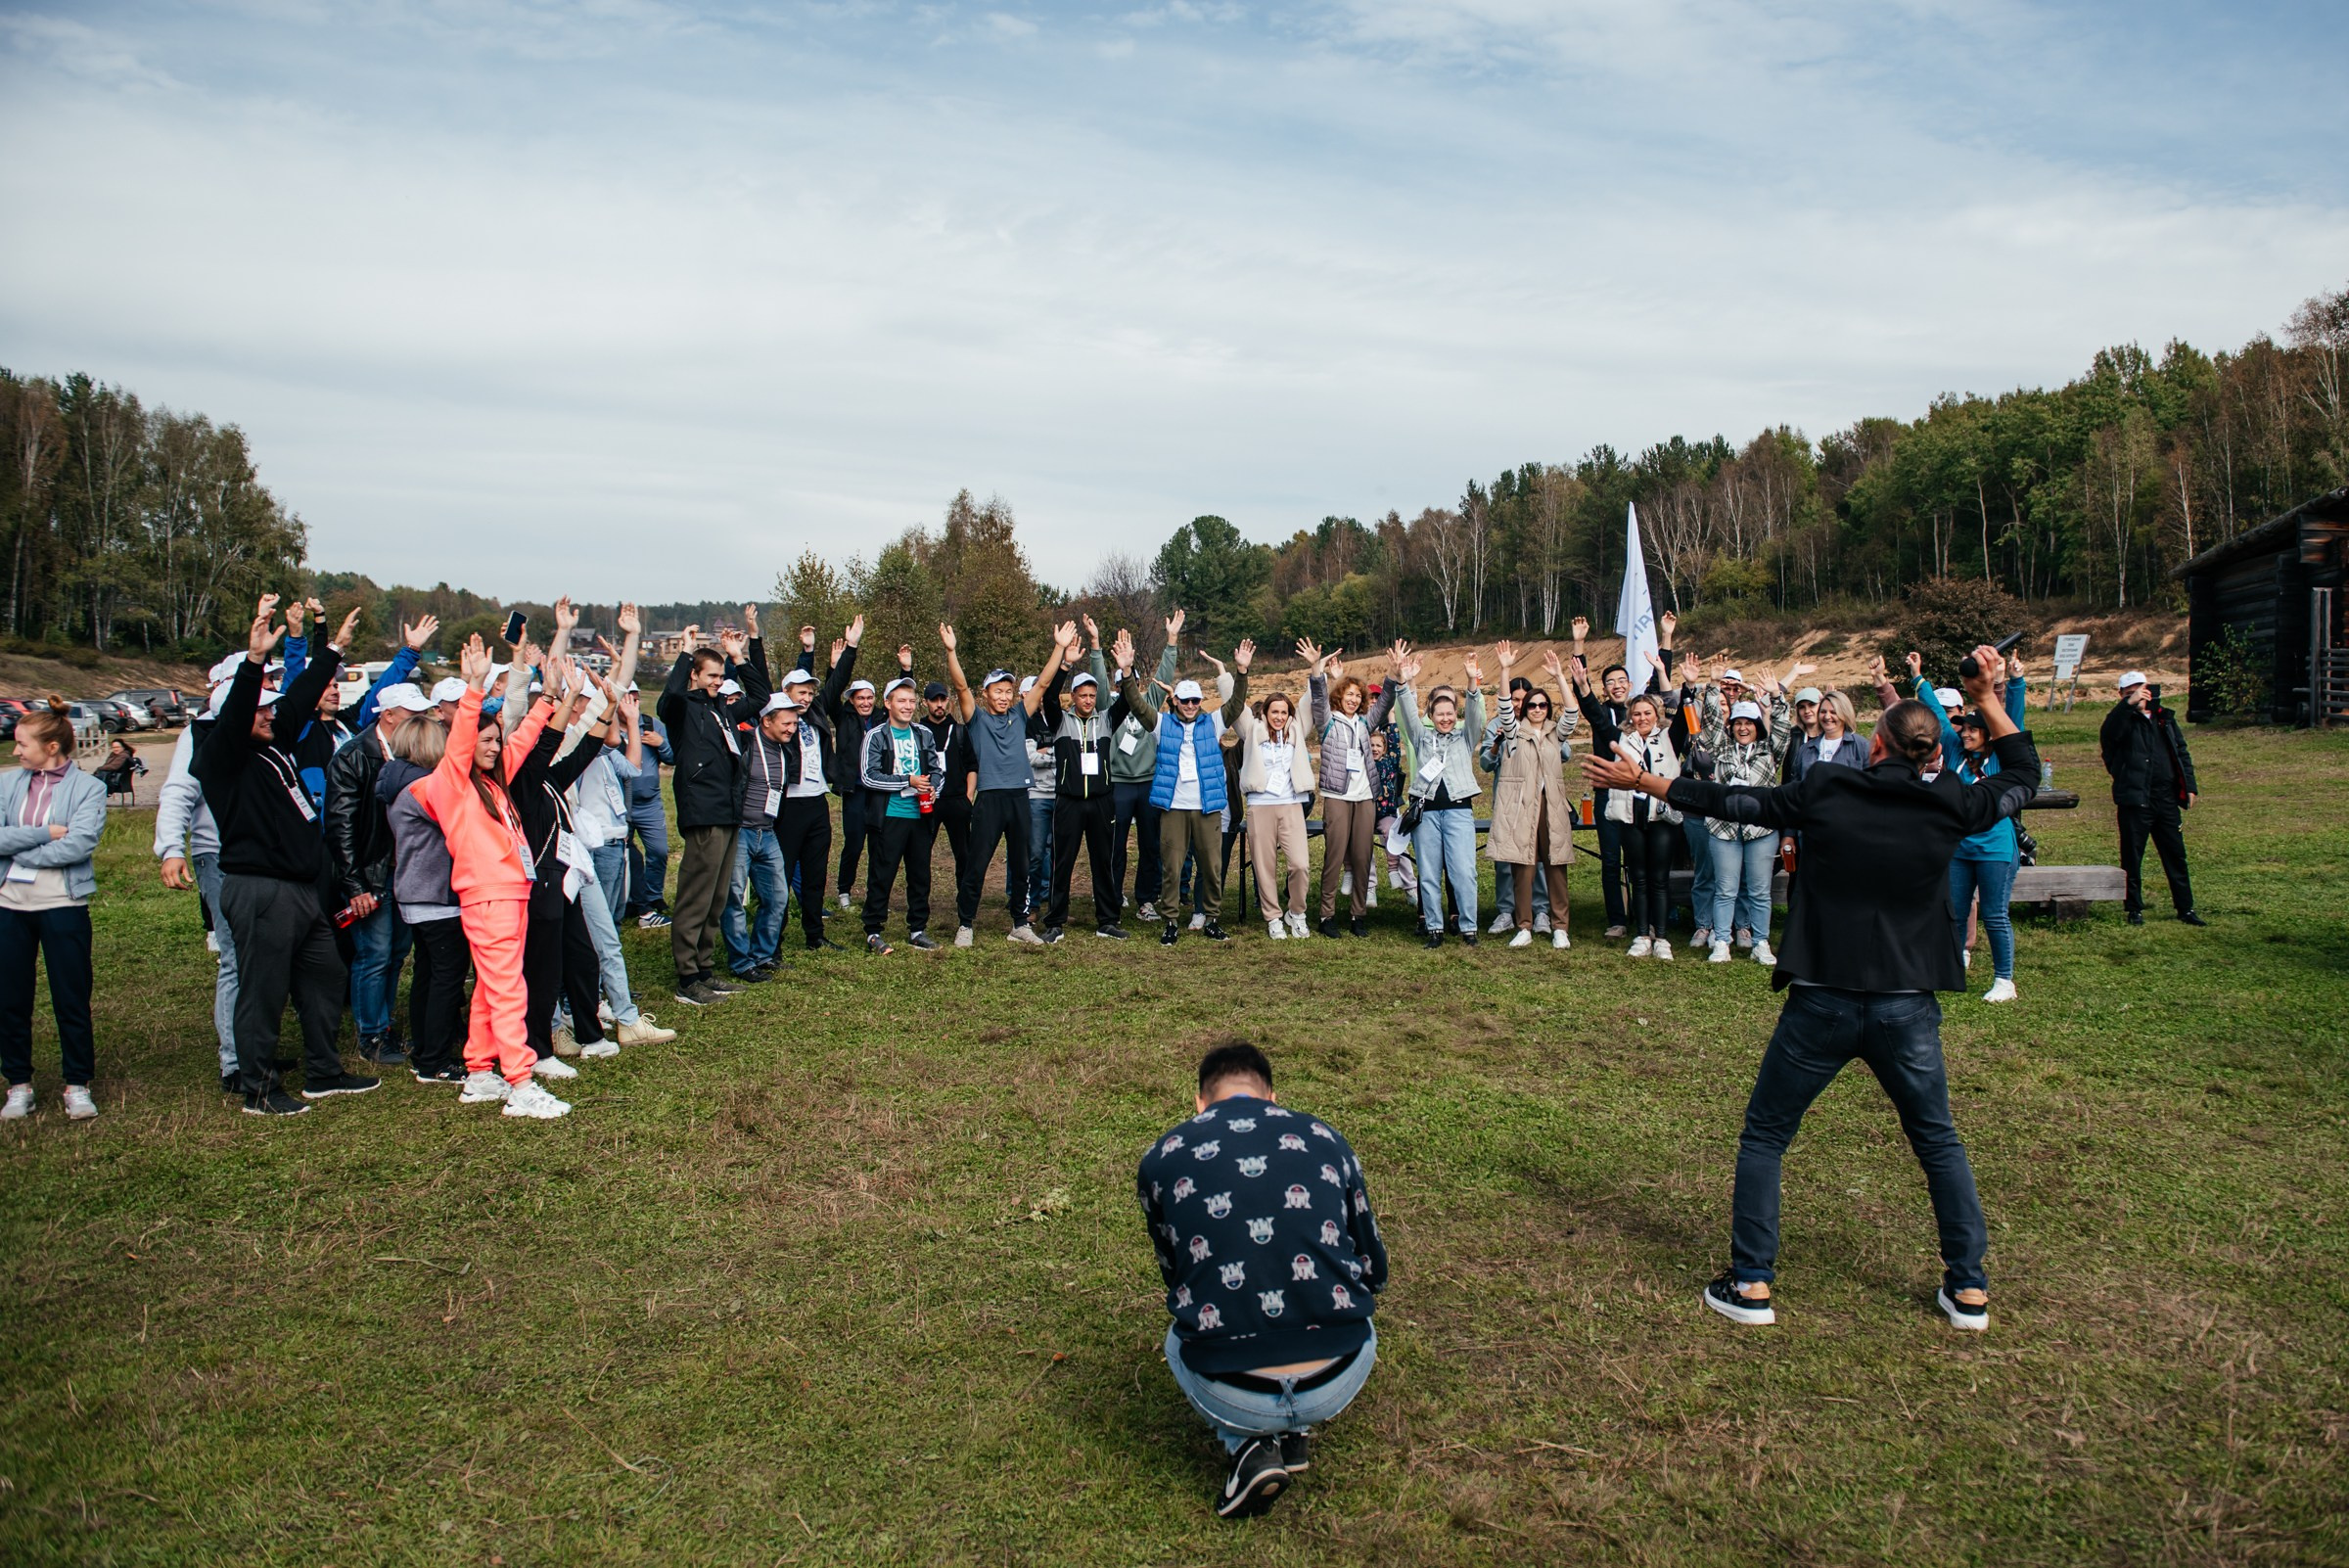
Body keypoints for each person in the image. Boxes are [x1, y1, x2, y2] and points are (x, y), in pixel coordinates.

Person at [1584, 643, 2038, 1334]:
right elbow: (2024, 775)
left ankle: (1753, 1283)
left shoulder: (1829, 791)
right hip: (1907, 1003)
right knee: (1937, 1140)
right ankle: (1968, 1290)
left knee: (1767, 1134)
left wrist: (1648, 784)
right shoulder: (1951, 801)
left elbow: (1741, 799)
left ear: (1876, 743)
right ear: (1928, 750)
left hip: (1823, 997)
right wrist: (1987, 698)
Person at [1134, 1040, 1387, 1519]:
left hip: (1232, 1387)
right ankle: (1295, 1429)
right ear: (1272, 1097)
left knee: (1176, 1337)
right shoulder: (1325, 1137)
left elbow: (1176, 1276)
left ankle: (1247, 1446)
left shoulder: (1162, 1155)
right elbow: (1372, 1267)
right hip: (1338, 1374)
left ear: (1199, 1103)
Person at [194, 595, 378, 1115]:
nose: (272, 714)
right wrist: (253, 662)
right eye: (261, 710)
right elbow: (235, 717)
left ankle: (323, 1071)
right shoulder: (221, 757)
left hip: (300, 889)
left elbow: (300, 695)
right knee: (263, 990)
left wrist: (333, 647)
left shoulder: (274, 743)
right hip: (260, 888)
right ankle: (257, 1087)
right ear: (234, 715)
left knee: (325, 975)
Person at [415, 636, 569, 1119]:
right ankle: (520, 1083)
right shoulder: (452, 784)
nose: (492, 746)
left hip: (511, 895)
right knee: (509, 990)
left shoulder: (490, 783)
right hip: (489, 898)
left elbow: (519, 742)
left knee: (491, 985)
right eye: (484, 740)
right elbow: (463, 737)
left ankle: (480, 1072)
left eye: (494, 739)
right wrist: (475, 687)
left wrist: (548, 699)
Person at [0, 699, 107, 1123]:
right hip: (9, 904)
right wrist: (43, 833)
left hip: (63, 904)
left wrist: (19, 850)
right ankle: (18, 1085)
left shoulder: (88, 788)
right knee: (10, 998)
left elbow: (78, 845)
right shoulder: (7, 783)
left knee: (71, 997)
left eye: (22, 743)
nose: (15, 751)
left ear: (50, 746)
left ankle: (76, 1084)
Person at [659, 613, 768, 1003]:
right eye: (711, 677)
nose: (717, 683)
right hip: (702, 811)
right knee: (696, 896)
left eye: (720, 678)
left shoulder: (722, 708)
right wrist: (687, 653)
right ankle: (687, 978)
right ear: (694, 676)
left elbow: (761, 698)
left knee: (718, 897)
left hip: (728, 810)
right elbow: (667, 699)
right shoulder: (683, 709)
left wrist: (739, 657)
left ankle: (704, 969)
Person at [325, 679, 435, 1068]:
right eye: (412, 714)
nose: (421, 720)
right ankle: (370, 1034)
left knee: (396, 954)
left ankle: (385, 1026)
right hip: (371, 876)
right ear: (388, 716)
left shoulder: (413, 756)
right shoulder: (355, 756)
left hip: (404, 871)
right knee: (373, 953)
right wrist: (355, 885)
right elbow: (340, 826)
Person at [942, 620, 1069, 947]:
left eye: (1008, 691)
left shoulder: (1018, 716)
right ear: (986, 694)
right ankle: (966, 924)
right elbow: (959, 688)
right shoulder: (977, 719)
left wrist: (1059, 648)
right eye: (997, 690)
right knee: (977, 863)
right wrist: (952, 651)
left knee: (1022, 864)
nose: (1003, 695)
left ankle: (1019, 924)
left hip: (1019, 798)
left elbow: (1042, 684)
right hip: (989, 800)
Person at [1124, 641, 1249, 945]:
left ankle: (1212, 918)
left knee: (1212, 866)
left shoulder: (1214, 722)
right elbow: (1138, 706)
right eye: (1185, 701)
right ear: (1175, 701)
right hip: (1174, 808)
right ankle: (1170, 922)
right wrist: (1127, 673)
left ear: (1200, 701)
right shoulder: (1161, 724)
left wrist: (1241, 671)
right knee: (1172, 866)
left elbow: (1236, 704)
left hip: (1207, 808)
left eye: (1195, 701)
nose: (1191, 706)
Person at [1925, 660, 2029, 1002]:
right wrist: (1919, 678)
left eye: (1972, 729)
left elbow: (2013, 719)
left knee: (1995, 914)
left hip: (1996, 848)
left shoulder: (2002, 759)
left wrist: (2015, 682)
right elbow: (1940, 719)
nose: (1965, 733)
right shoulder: (1955, 750)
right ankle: (1952, 968)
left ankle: (2005, 981)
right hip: (1960, 847)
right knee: (1953, 910)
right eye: (1963, 728)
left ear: (1988, 733)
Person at [377, 713, 468, 1084]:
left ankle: (424, 1047)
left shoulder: (396, 782)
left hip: (416, 891)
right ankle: (435, 1059)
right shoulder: (423, 787)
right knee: (447, 977)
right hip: (435, 892)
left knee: (429, 975)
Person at [1038, 620, 1128, 943]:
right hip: (1069, 802)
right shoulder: (1061, 720)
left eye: (1092, 695)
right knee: (1062, 862)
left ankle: (1107, 920)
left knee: (1103, 862)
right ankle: (1055, 923)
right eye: (1083, 695)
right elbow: (1048, 696)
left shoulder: (1106, 720)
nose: (1089, 700)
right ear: (1073, 696)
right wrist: (1064, 664)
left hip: (1102, 801)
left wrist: (1126, 671)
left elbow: (1128, 702)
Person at [1299, 639, 1394, 939]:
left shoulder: (1366, 723)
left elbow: (1387, 701)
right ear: (1339, 697)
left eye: (1358, 695)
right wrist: (1317, 668)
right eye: (1348, 694)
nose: (1353, 699)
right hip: (1338, 797)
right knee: (1335, 857)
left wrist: (1393, 672)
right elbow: (1317, 696)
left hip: (1365, 798)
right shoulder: (1328, 722)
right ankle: (1326, 916)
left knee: (1364, 857)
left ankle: (1358, 914)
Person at [1484, 643, 1577, 950]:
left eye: (1542, 705)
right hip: (1522, 810)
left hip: (1551, 808)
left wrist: (1560, 675)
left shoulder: (1554, 733)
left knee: (1555, 867)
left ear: (1548, 708)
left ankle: (1559, 926)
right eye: (1532, 705)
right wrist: (1506, 669)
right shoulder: (1514, 731)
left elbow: (1573, 712)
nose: (1537, 709)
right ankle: (1523, 925)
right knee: (1522, 869)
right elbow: (1503, 705)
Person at [1393, 648, 1487, 948]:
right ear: (1431, 716)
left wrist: (1473, 683)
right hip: (1427, 814)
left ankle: (1469, 928)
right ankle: (1434, 928)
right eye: (1439, 714)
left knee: (1464, 872)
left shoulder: (1465, 737)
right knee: (1429, 873)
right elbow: (1408, 716)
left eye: (1450, 714)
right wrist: (1405, 683)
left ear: (1454, 716)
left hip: (1459, 812)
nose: (1445, 719)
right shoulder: (1422, 738)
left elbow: (1474, 716)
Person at [1695, 673, 1791, 965]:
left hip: (1760, 829)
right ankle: (1722, 941)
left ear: (1757, 727)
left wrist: (1777, 697)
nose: (1743, 728)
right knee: (1725, 889)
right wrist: (1712, 687)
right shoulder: (1722, 747)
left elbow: (1784, 730)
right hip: (1724, 829)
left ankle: (1761, 942)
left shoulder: (1769, 750)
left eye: (1748, 723)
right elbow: (1710, 724)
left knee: (1760, 891)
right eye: (1738, 723)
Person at [2101, 671, 2202, 928]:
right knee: (2133, 855)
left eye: (2141, 691)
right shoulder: (2120, 720)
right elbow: (2110, 734)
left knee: (2175, 854)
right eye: (2129, 692)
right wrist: (2128, 705)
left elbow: (2181, 752)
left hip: (2165, 796)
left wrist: (2189, 786)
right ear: (2121, 695)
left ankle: (2185, 907)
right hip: (2134, 798)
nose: (2137, 696)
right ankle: (2134, 908)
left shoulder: (2164, 719)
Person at [1228, 669, 1318, 941]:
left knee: (1300, 865)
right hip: (1261, 806)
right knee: (1264, 866)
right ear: (1265, 714)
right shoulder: (1253, 732)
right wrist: (1232, 673)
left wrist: (1316, 671)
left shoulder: (1297, 731)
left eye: (1283, 712)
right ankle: (1273, 917)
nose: (1279, 717)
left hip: (1291, 805)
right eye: (1274, 712)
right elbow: (1234, 704)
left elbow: (1309, 700)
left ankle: (1297, 912)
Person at [857, 675, 944, 952]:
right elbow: (868, 777)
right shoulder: (876, 735)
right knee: (882, 875)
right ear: (888, 703)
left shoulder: (924, 734)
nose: (907, 706)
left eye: (911, 701)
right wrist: (907, 780)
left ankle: (918, 929)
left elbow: (937, 771)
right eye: (901, 701)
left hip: (920, 816)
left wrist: (933, 790)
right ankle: (873, 931)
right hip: (889, 816)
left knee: (920, 875)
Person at [1110, 613, 1183, 925]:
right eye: (1121, 682)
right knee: (1114, 844)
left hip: (1149, 783)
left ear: (1137, 682)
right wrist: (1098, 647)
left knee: (1150, 845)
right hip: (1118, 784)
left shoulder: (1149, 700)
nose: (1127, 687)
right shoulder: (1108, 707)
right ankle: (1111, 895)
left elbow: (1164, 672)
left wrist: (1171, 641)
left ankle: (1146, 900)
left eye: (1131, 681)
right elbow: (1099, 682)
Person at [916, 678, 972, 889]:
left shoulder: (959, 730)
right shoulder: (918, 730)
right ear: (925, 703)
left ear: (948, 701)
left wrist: (968, 796)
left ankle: (964, 900)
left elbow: (971, 765)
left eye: (943, 699)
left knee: (964, 854)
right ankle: (921, 897)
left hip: (957, 800)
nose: (939, 704)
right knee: (921, 852)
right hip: (927, 800)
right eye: (934, 700)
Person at [622, 697, 673, 928]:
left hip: (650, 802)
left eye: (636, 697)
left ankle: (653, 896)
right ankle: (631, 900)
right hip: (622, 802)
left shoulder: (651, 725)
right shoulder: (609, 727)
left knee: (659, 851)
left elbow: (672, 757)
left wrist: (660, 742)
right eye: (627, 698)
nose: (633, 702)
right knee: (625, 854)